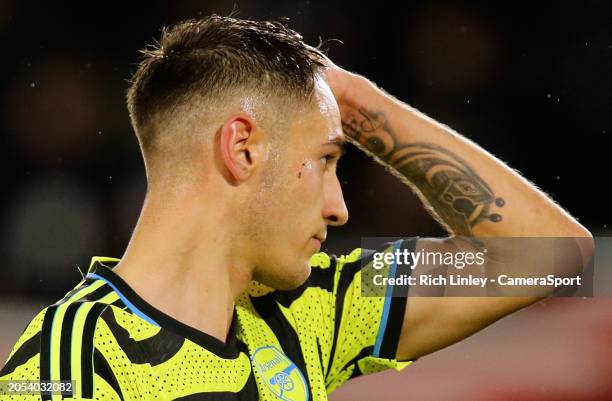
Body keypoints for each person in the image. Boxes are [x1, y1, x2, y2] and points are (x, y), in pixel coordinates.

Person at [0, 15, 593, 401]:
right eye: (328, 160)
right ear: (242, 149)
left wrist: (355, 101)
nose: (340, 209)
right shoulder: (69, 363)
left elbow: (552, 258)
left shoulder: (313, 308)